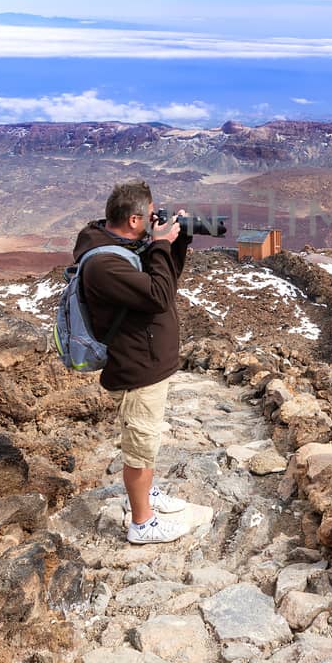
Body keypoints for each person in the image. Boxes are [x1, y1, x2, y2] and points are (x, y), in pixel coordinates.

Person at [73, 180, 194, 544]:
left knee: (149, 440)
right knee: (139, 448)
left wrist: (177, 243)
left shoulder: (121, 244)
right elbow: (159, 296)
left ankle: (148, 492)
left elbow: (165, 284)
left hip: (148, 363)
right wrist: (158, 244)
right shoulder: (105, 264)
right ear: (134, 220)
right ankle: (142, 523)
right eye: (150, 216)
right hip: (136, 370)